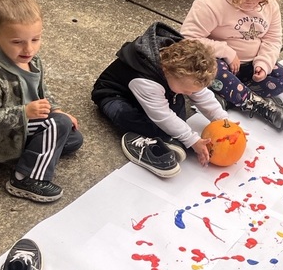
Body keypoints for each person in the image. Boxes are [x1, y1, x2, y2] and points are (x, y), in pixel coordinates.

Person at [91, 22, 227, 178]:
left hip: (157, 94)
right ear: (168, 71)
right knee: (128, 116)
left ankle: (169, 139)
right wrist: (192, 139)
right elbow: (162, 115)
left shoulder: (180, 72)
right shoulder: (146, 80)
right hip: (115, 95)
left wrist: (222, 119)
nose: (190, 94)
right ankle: (137, 141)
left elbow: (200, 94)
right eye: (186, 91)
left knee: (178, 121)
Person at [0, 0, 83, 204]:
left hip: (24, 124)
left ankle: (33, 152)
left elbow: (42, 91)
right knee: (59, 127)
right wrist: (25, 112)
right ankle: (25, 178)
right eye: (17, 41)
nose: (29, 48)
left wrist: (56, 110)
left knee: (73, 138)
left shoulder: (32, 60)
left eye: (36, 39)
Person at [181, 0, 283, 132]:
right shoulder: (209, 3)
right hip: (221, 63)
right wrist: (225, 51)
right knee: (213, 69)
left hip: (249, 65)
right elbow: (187, 39)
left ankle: (231, 97)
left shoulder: (269, 4)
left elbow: (273, 38)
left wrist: (263, 64)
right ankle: (256, 104)